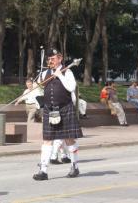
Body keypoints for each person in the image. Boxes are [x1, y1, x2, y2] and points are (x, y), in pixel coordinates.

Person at [33, 48, 83, 181]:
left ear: (60, 58)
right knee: (47, 140)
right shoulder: (44, 74)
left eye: (53, 59)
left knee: (69, 139)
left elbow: (71, 88)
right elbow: (38, 86)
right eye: (49, 59)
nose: (51, 61)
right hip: (50, 110)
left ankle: (74, 166)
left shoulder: (67, 72)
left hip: (65, 108)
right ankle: (43, 170)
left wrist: (59, 75)